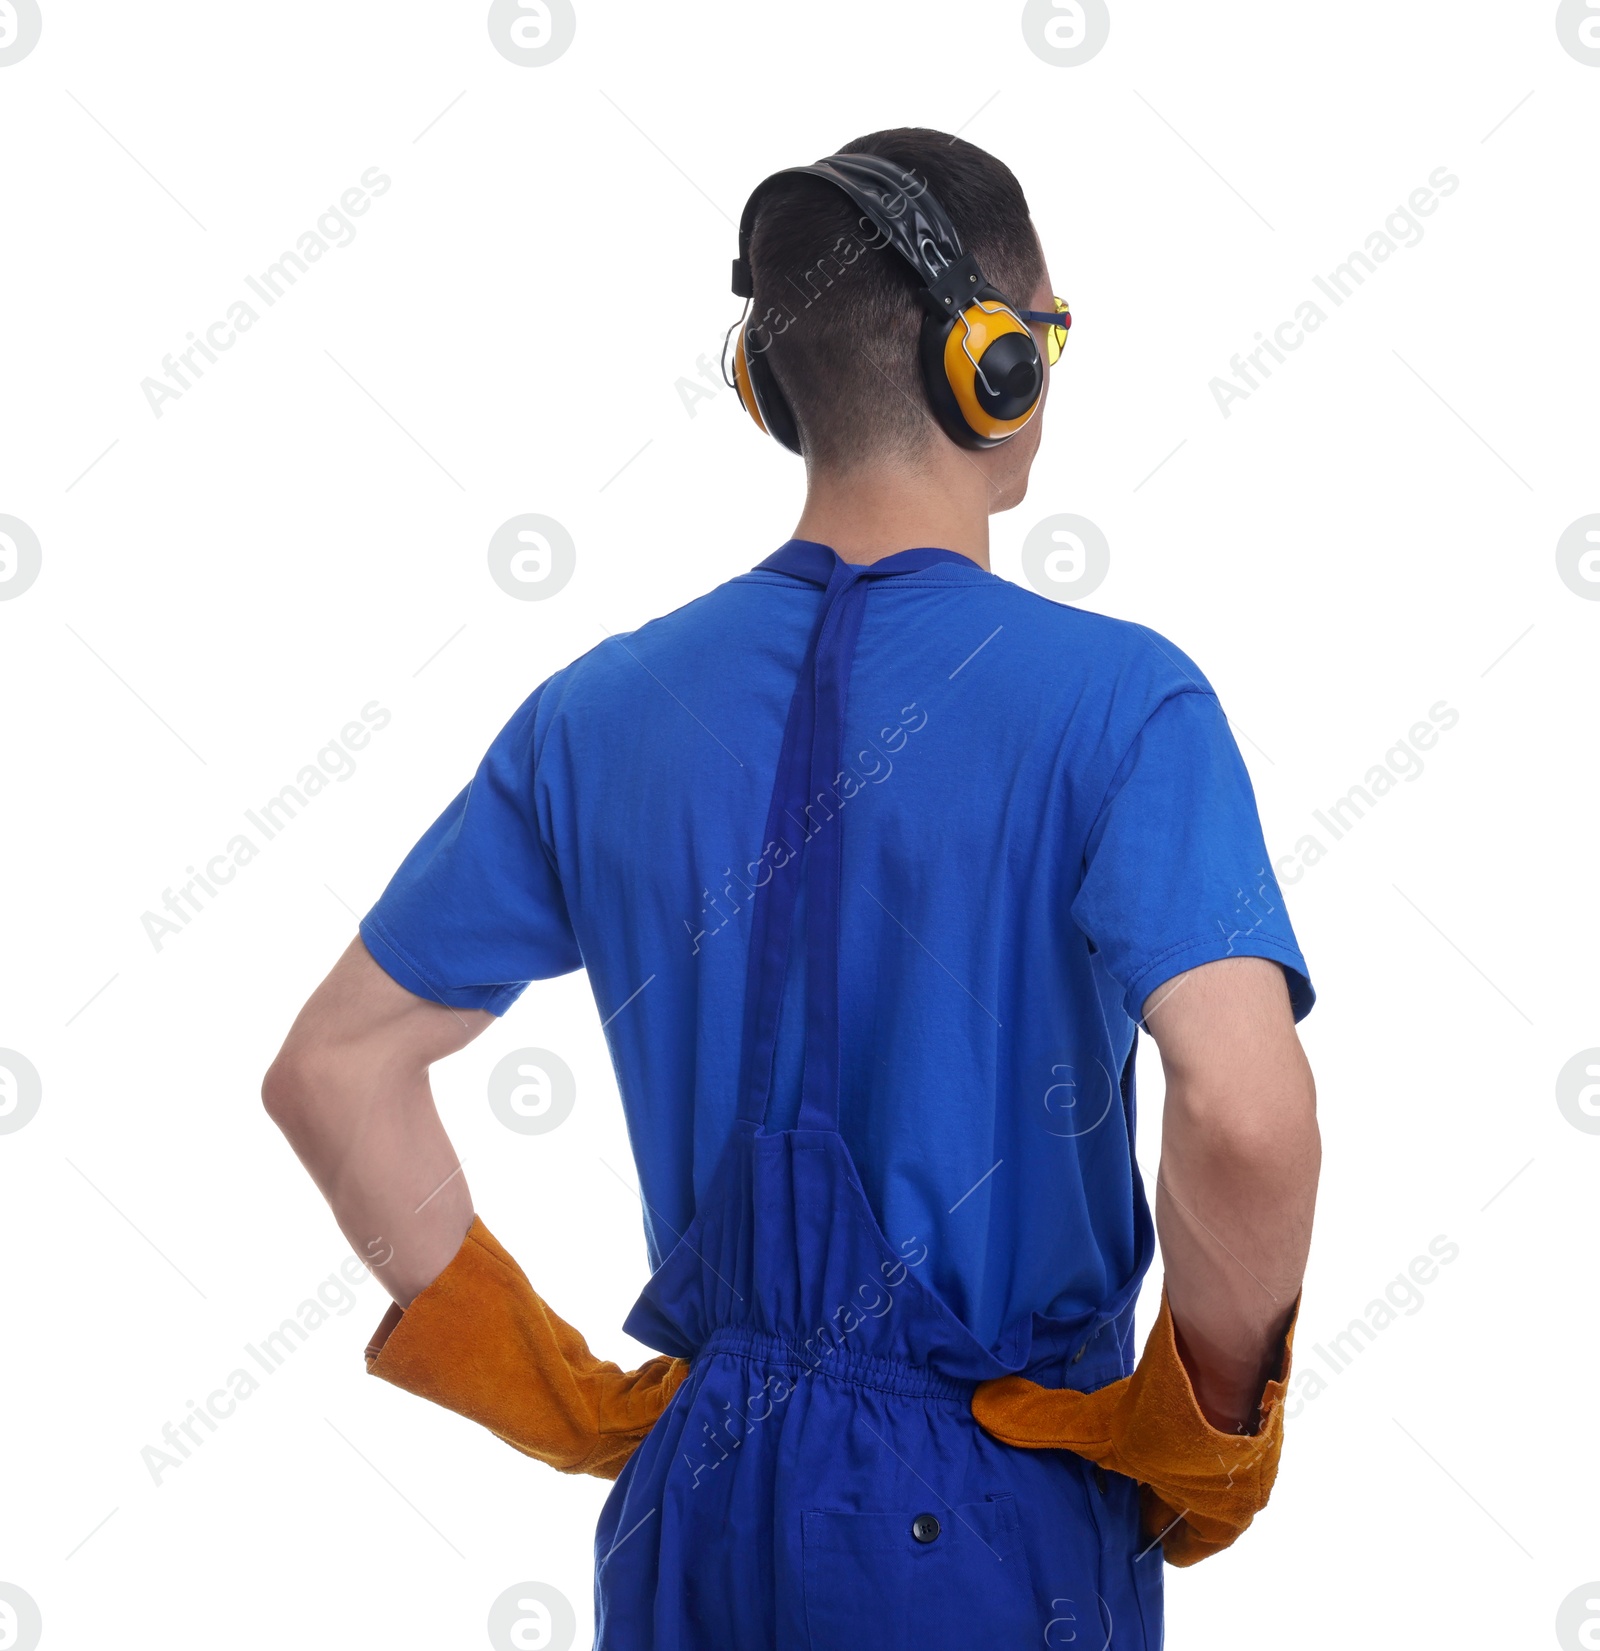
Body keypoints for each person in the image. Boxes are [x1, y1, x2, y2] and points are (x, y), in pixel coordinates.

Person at [264, 129, 1320, 1649]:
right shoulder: (1121, 705)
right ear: (996, 362)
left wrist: (555, 1397)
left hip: (694, 1500)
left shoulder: (597, 712)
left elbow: (332, 1070)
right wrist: (1202, 1430)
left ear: (776, 384)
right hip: (996, 1520)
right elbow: (1249, 1113)